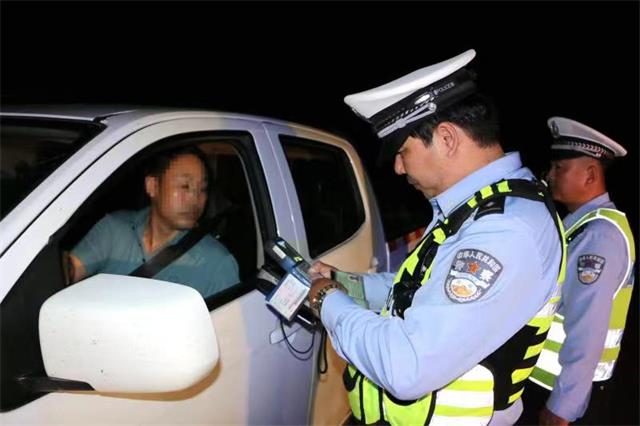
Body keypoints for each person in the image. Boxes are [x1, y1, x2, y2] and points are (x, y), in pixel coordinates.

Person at [307, 49, 566, 426]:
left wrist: (326, 299)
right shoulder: (476, 208)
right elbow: (421, 287)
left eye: (402, 151)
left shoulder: (504, 230)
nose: (399, 168)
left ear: (446, 138)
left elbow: (406, 366)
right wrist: (344, 283)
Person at [526, 117, 635, 425]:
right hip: (546, 382)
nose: (549, 175)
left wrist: (563, 405)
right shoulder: (579, 225)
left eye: (559, 168)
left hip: (559, 392)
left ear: (590, 175)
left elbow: (588, 326)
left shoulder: (599, 235)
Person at [68, 146, 240, 298]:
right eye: (185, 186)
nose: (195, 199)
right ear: (152, 186)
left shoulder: (216, 263)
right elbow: (68, 272)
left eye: (202, 189)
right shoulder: (113, 230)